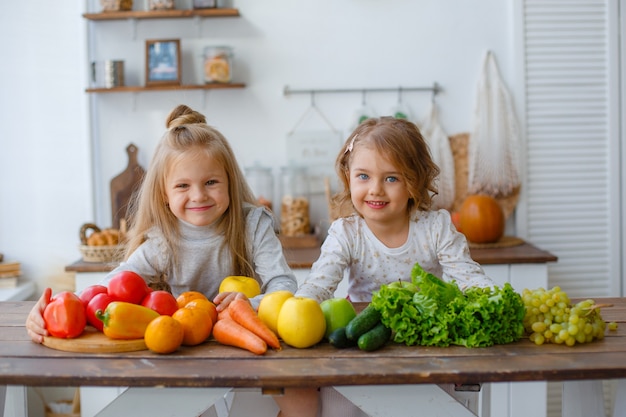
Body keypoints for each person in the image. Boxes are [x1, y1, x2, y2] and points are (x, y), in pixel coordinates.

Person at [25, 104, 315, 417]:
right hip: (183, 351)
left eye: (211, 182)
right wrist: (53, 311)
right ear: (164, 193)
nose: (198, 196)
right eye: (182, 186)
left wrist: (251, 303)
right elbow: (112, 285)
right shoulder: (163, 241)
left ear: (229, 181)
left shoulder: (253, 223)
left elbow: (283, 283)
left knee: (305, 402)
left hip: (246, 344)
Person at [295, 116, 495, 416]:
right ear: (348, 175)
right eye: (363, 176)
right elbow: (319, 285)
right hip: (365, 351)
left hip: (423, 352)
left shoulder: (436, 228)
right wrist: (297, 310)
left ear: (414, 182)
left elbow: (469, 277)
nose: (375, 189)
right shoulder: (346, 233)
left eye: (391, 178)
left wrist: (495, 301)